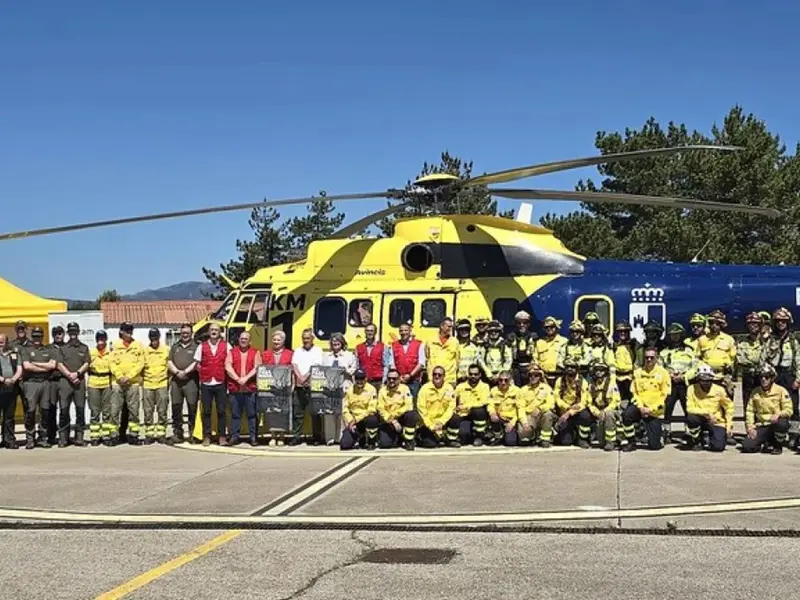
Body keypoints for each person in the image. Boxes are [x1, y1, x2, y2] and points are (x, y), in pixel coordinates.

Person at [623, 347, 671, 451]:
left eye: (651, 357)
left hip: (654, 411)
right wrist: (641, 407)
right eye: (646, 357)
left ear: (656, 358)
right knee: (627, 414)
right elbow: (634, 393)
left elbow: (665, 396)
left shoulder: (663, 373)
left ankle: (662, 434)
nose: (649, 360)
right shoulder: (637, 372)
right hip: (640, 407)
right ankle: (631, 441)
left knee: (654, 446)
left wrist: (650, 409)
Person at [741, 363, 792, 454]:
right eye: (761, 377)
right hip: (761, 425)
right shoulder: (755, 392)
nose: (763, 379)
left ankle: (777, 445)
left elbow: (789, 410)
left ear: (772, 378)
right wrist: (750, 427)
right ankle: (764, 442)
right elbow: (750, 411)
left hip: (774, 424)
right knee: (747, 446)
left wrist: (778, 414)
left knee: (782, 423)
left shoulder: (781, 391)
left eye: (767, 377)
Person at [109, 322, 145, 445]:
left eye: (130, 330)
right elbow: (111, 363)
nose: (129, 332)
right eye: (126, 330)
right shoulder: (115, 345)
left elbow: (140, 363)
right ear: (121, 332)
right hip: (117, 383)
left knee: (134, 410)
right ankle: (114, 435)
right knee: (115, 410)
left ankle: (133, 435)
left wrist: (129, 376)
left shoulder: (138, 345)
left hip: (133, 383)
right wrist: (120, 376)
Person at [55, 321, 91, 447]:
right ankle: (63, 438)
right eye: (71, 331)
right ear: (68, 333)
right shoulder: (63, 349)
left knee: (80, 410)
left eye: (75, 331)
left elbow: (87, 363)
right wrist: (70, 375)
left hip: (79, 382)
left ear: (78, 332)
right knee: (64, 410)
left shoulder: (84, 348)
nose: (73, 333)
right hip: (65, 382)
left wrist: (77, 373)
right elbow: (59, 364)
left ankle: (79, 437)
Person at [659, 323, 695, 443]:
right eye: (672, 335)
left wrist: (684, 376)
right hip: (670, 384)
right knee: (667, 409)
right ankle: (666, 432)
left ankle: (690, 433)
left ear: (682, 335)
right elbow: (660, 368)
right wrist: (669, 376)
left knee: (688, 408)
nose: (675, 337)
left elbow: (694, 367)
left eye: (677, 335)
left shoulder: (689, 350)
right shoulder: (664, 352)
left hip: (685, 384)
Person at [685, 363, 734, 452]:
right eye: (702, 380)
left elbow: (729, 407)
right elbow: (689, 408)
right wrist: (707, 414)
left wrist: (729, 426)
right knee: (691, 418)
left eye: (708, 380)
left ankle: (711, 437)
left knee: (718, 447)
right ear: (698, 379)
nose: (705, 383)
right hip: (700, 418)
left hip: (716, 420)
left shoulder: (720, 390)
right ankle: (696, 440)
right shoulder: (691, 389)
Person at [194, 323, 229, 445]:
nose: (214, 332)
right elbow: (197, 364)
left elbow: (229, 362)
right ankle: (207, 436)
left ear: (220, 332)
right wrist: (205, 372)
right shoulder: (201, 346)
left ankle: (222, 436)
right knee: (207, 411)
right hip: (206, 382)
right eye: (212, 330)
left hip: (221, 382)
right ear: (209, 332)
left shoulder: (226, 346)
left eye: (216, 330)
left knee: (221, 411)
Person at [225, 330, 261, 446]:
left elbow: (257, 367)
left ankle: (253, 437)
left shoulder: (256, 352)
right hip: (235, 388)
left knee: (252, 414)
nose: (243, 340)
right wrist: (237, 379)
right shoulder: (232, 352)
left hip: (250, 388)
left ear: (249, 341)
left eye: (246, 338)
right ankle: (234, 436)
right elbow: (228, 366)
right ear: (238, 339)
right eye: (241, 338)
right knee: (235, 415)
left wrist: (245, 378)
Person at [290, 328, 324, 445]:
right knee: (297, 413)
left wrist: (306, 377)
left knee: (315, 413)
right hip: (299, 386)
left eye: (308, 338)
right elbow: (294, 365)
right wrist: (300, 377)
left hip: (313, 386)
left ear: (312, 339)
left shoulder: (318, 351)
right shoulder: (298, 351)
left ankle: (316, 437)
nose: (305, 340)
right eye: (304, 338)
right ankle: (296, 436)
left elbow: (316, 366)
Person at [576, 361, 620, 451]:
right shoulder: (591, 385)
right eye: (597, 370)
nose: (599, 372)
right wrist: (596, 412)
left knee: (609, 414)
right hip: (596, 411)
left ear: (606, 372)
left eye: (602, 370)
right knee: (584, 414)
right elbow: (589, 402)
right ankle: (583, 439)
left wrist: (604, 411)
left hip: (609, 411)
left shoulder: (611, 384)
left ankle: (610, 442)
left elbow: (616, 401)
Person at [167, 323, 198, 444]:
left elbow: (197, 362)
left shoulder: (196, 346)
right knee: (176, 408)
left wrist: (185, 371)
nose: (185, 335)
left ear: (191, 333)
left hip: (191, 380)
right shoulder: (175, 346)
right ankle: (178, 433)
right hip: (176, 381)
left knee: (192, 407)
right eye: (183, 333)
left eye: (187, 333)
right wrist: (176, 371)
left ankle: (193, 433)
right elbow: (169, 361)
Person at [416, 365, 458, 447]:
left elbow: (451, 408)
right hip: (427, 423)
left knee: (456, 417)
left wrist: (441, 422)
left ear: (444, 376)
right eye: (435, 374)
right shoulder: (425, 389)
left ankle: (450, 440)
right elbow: (421, 409)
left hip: (442, 422)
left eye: (439, 375)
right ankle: (419, 437)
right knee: (430, 444)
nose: (437, 376)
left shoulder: (449, 388)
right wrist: (431, 426)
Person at [376, 367, 417, 451]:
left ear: (399, 379)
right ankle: (398, 438)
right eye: (389, 378)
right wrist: (392, 420)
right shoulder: (382, 391)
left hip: (401, 419)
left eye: (394, 378)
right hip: (389, 421)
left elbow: (409, 405)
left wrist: (395, 415)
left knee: (411, 415)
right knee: (384, 444)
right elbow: (380, 408)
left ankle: (409, 441)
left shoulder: (405, 389)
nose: (391, 381)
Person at [142, 328, 170, 444]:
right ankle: (149, 434)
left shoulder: (166, 350)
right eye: (152, 338)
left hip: (162, 384)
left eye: (156, 338)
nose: (154, 340)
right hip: (148, 384)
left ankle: (161, 434)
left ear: (159, 337)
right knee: (148, 411)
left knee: (162, 410)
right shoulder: (144, 351)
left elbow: (170, 366)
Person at [552, 357, 589, 446]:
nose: (569, 369)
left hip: (577, 411)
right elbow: (557, 398)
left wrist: (570, 412)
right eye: (567, 367)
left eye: (572, 367)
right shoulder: (559, 381)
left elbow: (584, 402)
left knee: (585, 415)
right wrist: (567, 408)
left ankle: (582, 439)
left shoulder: (582, 381)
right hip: (563, 412)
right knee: (565, 442)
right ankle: (570, 434)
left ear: (577, 369)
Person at [340, 369, 379, 450]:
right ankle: (361, 438)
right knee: (345, 445)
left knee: (372, 419)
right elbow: (345, 409)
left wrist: (356, 419)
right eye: (357, 379)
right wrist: (350, 421)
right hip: (354, 422)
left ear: (366, 379)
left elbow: (372, 409)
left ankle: (371, 442)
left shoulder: (372, 389)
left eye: (361, 379)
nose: (359, 381)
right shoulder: (350, 390)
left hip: (365, 419)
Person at [87, 330, 114, 446]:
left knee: (107, 412)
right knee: (95, 412)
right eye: (99, 339)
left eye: (102, 339)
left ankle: (106, 435)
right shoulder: (91, 353)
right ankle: (95, 436)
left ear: (106, 340)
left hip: (106, 383)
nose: (100, 342)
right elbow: (87, 367)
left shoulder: (111, 353)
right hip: (93, 383)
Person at [519, 363, 555, 447]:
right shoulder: (523, 390)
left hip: (541, 415)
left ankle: (545, 439)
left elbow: (551, 404)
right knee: (523, 438)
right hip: (529, 416)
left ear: (540, 376)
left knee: (548, 414)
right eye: (531, 375)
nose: (533, 377)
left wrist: (540, 408)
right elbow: (520, 408)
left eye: (536, 375)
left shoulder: (546, 388)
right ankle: (533, 435)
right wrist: (524, 423)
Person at [453, 363, 490, 445]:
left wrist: (466, 406)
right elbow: (452, 399)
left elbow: (483, 402)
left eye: (476, 374)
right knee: (464, 437)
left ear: (480, 375)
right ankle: (469, 435)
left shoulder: (485, 387)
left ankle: (479, 437)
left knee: (479, 410)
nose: (473, 376)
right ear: (468, 374)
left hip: (478, 416)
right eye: (471, 374)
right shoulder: (460, 386)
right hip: (464, 415)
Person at [388, 323, 425, 401]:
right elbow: (392, 363)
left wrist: (410, 375)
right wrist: (399, 377)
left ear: (410, 331)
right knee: (398, 402)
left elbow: (421, 363)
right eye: (401, 330)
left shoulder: (419, 344)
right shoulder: (394, 345)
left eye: (406, 330)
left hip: (414, 381)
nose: (403, 332)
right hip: (399, 380)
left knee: (413, 403)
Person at [487, 370, 523, 446]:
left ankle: (505, 435)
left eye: (506, 380)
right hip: (499, 419)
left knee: (510, 442)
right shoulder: (493, 391)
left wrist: (512, 423)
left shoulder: (517, 391)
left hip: (511, 420)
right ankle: (497, 435)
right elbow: (490, 405)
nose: (503, 383)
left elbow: (520, 409)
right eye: (500, 380)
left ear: (510, 381)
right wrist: (492, 413)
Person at [0, 334, 22, 449]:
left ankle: (8, 440)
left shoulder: (14, 354)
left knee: (9, 416)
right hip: (0, 386)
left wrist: (13, 379)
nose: (1, 342)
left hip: (11, 388)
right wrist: (3, 379)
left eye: (3, 341)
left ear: (7, 342)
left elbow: (19, 368)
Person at [506, 310, 537, 387]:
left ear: (529, 324)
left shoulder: (534, 337)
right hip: (516, 368)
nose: (521, 325)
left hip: (529, 367)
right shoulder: (511, 337)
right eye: (519, 323)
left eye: (524, 323)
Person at [426, 317, 459, 387]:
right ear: (441, 326)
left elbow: (457, 360)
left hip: (449, 380)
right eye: (448, 326)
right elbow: (427, 357)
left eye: (451, 327)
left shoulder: (455, 342)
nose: (450, 329)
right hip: (434, 379)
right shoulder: (430, 341)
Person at [534, 316, 567, 387]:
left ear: (556, 327)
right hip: (543, 377)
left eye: (552, 327)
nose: (549, 329)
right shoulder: (539, 342)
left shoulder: (564, 341)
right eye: (546, 327)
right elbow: (535, 359)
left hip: (560, 377)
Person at [354, 323, 388, 391]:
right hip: (363, 381)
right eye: (367, 331)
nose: (369, 333)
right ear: (365, 332)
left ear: (375, 332)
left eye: (371, 331)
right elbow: (356, 366)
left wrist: (384, 381)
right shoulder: (358, 347)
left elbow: (386, 365)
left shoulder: (383, 346)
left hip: (378, 382)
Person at [480, 320, 512, 385]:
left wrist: (499, 375)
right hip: (488, 377)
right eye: (491, 331)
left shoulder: (505, 345)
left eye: (496, 331)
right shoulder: (484, 345)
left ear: (500, 332)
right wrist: (489, 374)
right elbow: (481, 360)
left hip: (503, 377)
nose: (493, 333)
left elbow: (508, 361)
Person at [455, 319, 480, 384]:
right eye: (461, 329)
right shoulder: (454, 345)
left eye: (466, 329)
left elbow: (475, 363)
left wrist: (468, 375)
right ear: (458, 331)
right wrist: (459, 375)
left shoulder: (474, 346)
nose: (464, 331)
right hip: (456, 379)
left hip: (471, 379)